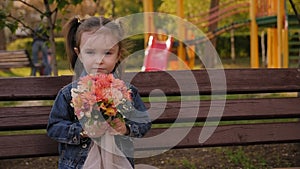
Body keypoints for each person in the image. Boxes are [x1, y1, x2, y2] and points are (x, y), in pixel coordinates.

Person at [47, 16, 152, 169]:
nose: (99, 60)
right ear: (79, 54)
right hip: (81, 164)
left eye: (108, 53)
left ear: (118, 55)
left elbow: (143, 122)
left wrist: (126, 128)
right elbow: (54, 127)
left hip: (118, 163)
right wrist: (82, 131)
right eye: (90, 52)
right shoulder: (70, 93)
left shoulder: (126, 92)